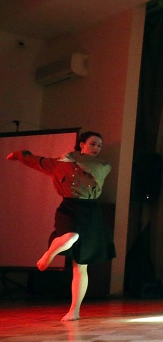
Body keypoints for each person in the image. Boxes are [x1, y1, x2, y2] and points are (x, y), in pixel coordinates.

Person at [7, 131, 114, 321]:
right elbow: (37, 161)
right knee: (71, 236)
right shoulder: (59, 163)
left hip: (90, 212)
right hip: (69, 208)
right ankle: (48, 255)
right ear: (82, 144)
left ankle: (74, 310)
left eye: (99, 145)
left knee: (80, 265)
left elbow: (91, 166)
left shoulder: (102, 165)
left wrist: (72, 156)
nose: (96, 148)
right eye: (92, 144)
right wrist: (19, 155)